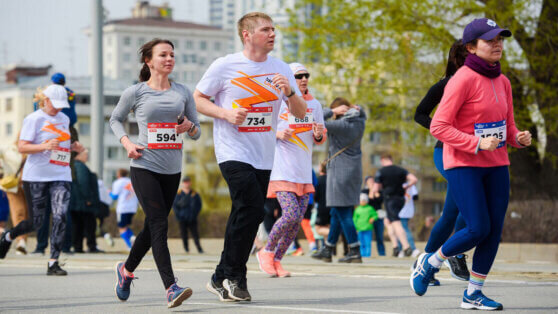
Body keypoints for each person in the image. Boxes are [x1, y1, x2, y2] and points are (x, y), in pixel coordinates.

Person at [411, 18, 532, 311]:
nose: (497, 45)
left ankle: (473, 293)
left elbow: (508, 126)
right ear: (471, 47)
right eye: (490, 40)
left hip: (497, 164)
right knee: (477, 228)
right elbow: (439, 125)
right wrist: (475, 143)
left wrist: (518, 137)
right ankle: (431, 261)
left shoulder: (503, 81)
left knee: (493, 231)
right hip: (463, 162)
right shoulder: (461, 80)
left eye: (500, 40)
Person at [194, 12, 307, 302]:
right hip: (233, 151)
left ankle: (221, 276)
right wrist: (225, 113)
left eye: (273, 29)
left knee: (250, 212)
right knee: (251, 207)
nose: (273, 34)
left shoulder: (280, 67)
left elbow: (300, 112)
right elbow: (198, 99)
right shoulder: (225, 65)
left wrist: (290, 91)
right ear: (247, 34)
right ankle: (236, 276)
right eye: (266, 29)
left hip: (264, 155)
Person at [110, 38, 200, 308]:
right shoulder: (135, 92)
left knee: (152, 227)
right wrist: (127, 143)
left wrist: (188, 127)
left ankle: (125, 271)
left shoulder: (183, 92)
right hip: (144, 165)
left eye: (172, 54)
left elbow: (196, 131)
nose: (169, 59)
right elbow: (115, 119)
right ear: (149, 61)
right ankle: (171, 287)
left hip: (172, 169)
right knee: (160, 224)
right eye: (163, 55)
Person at [0, 84, 83, 276]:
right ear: (45, 101)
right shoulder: (33, 119)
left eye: (62, 105)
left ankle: (53, 262)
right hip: (36, 176)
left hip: (61, 174)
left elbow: (61, 146)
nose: (59, 109)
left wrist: (73, 147)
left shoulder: (64, 119)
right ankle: (9, 236)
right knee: (36, 222)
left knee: (61, 216)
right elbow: (22, 147)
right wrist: (43, 145)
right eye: (55, 104)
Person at [256, 62, 326, 278]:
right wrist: (277, 134)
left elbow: (321, 138)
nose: (303, 79)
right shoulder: (277, 103)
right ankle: (266, 251)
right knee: (291, 215)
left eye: (306, 75)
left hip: (304, 172)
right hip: (281, 170)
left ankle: (277, 260)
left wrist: (317, 133)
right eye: (298, 76)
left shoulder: (315, 105)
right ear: (289, 79)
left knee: (296, 221)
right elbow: (261, 128)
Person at [414, 39, 470, 283]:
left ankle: (426, 262)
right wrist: (441, 130)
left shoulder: (486, 84)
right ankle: (454, 252)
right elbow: (419, 113)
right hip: (445, 152)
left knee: (450, 213)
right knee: (469, 201)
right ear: (462, 57)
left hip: (474, 154)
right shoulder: (446, 84)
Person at [311, 97, 366, 263]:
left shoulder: (341, 125)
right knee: (337, 211)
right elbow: (363, 112)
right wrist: (356, 107)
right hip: (354, 171)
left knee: (343, 212)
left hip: (340, 172)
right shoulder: (359, 121)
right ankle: (328, 248)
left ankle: (354, 249)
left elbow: (315, 120)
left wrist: (331, 111)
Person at [371, 154, 418, 257]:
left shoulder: (381, 171)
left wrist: (376, 192)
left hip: (390, 199)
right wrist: (407, 186)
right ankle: (395, 247)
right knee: (387, 221)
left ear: (382, 160)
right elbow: (414, 179)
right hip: (400, 199)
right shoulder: (400, 170)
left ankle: (406, 247)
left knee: (396, 222)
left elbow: (375, 188)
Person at [69, 149, 102, 253]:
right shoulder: (80, 166)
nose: (87, 157)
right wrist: (88, 198)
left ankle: (78, 247)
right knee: (89, 224)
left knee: (77, 225)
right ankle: (91, 246)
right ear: (78, 155)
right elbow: (83, 182)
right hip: (83, 203)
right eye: (85, 154)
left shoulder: (73, 166)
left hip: (76, 202)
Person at [0, 138, 28, 255]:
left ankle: (19, 239)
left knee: (30, 214)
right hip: (12, 185)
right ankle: (21, 241)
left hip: (29, 184)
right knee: (18, 213)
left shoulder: (35, 148)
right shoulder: (8, 149)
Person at [173, 176, 204, 254]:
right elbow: (175, 206)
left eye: (188, 182)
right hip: (182, 219)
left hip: (192, 218)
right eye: (185, 182)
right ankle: (186, 249)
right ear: (183, 183)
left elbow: (199, 205)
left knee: (195, 234)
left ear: (190, 183)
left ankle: (199, 249)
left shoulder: (195, 194)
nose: (186, 183)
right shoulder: (178, 194)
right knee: (184, 234)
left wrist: (194, 214)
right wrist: (179, 216)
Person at [110, 169, 138, 250]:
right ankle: (132, 237)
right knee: (126, 226)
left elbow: (114, 196)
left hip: (123, 208)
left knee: (121, 227)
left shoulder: (118, 182)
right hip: (133, 208)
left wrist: (109, 192)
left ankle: (130, 246)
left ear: (118, 174)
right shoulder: (132, 181)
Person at [362, 175, 385, 256]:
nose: (371, 183)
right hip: (367, 217)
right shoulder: (364, 191)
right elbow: (367, 201)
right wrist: (371, 191)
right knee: (367, 237)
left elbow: (380, 200)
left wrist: (375, 191)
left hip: (378, 216)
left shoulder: (380, 191)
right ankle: (367, 254)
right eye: (369, 181)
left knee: (379, 236)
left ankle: (381, 253)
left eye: (373, 181)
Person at [398, 184, 420, 258]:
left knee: (402, 230)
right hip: (408, 211)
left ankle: (412, 249)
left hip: (401, 211)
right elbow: (416, 197)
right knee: (401, 230)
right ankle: (402, 250)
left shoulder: (401, 184)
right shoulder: (411, 185)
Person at [353, 193, 378, 258]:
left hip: (368, 228)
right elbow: (354, 219)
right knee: (361, 243)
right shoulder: (357, 209)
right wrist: (355, 228)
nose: (363, 202)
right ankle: (361, 254)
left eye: (364, 200)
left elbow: (375, 215)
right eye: (361, 200)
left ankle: (368, 254)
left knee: (368, 242)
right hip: (359, 229)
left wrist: (373, 218)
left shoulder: (370, 208)